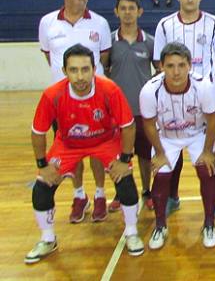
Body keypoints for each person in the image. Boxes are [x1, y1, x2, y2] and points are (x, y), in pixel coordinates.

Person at [25, 44, 143, 264]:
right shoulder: (53, 95)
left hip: (105, 141)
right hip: (68, 144)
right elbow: (38, 132)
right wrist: (42, 164)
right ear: (64, 71)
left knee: (125, 178)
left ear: (94, 68)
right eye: (74, 70)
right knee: (42, 187)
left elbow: (128, 126)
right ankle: (48, 238)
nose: (80, 76)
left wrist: (125, 160)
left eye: (85, 69)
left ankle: (132, 232)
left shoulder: (109, 90)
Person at [38, 0, 112, 224]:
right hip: (63, 103)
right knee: (72, 151)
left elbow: (103, 60)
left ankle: (101, 195)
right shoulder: (47, 22)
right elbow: (49, 56)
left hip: (94, 101)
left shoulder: (100, 23)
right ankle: (80, 196)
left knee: (98, 150)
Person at [152, 0, 215, 217]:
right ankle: (172, 196)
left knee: (208, 151)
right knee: (174, 147)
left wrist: (211, 89)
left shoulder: (214, 23)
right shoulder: (165, 24)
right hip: (173, 96)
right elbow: (158, 60)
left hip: (204, 97)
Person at [140, 42, 215, 249]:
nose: (176, 72)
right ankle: (160, 226)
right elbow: (148, 123)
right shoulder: (150, 91)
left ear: (190, 66)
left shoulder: (203, 86)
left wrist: (208, 151)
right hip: (166, 136)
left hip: (197, 134)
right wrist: (158, 152)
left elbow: (212, 120)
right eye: (170, 66)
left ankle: (209, 223)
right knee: (162, 173)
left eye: (181, 65)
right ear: (161, 67)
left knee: (206, 169)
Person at [107, 0, 155, 212]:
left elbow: (160, 71)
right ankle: (121, 192)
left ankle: (147, 190)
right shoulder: (108, 42)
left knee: (145, 155)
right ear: (116, 11)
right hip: (116, 113)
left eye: (131, 8)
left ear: (139, 11)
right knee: (119, 156)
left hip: (143, 112)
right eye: (123, 8)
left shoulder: (149, 41)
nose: (127, 12)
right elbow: (103, 72)